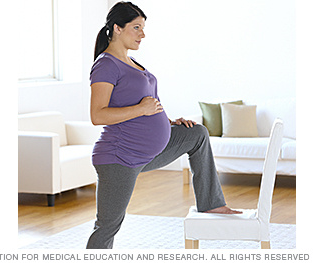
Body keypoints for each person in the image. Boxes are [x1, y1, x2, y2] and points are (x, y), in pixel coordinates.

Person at [87, 1, 241, 249]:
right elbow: (98, 115)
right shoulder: (106, 65)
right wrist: (142, 110)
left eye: (143, 28)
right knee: (107, 226)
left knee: (197, 134)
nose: (142, 34)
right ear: (117, 28)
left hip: (148, 151)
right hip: (120, 157)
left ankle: (211, 202)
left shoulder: (131, 61)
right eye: (136, 27)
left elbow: (145, 103)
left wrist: (168, 122)